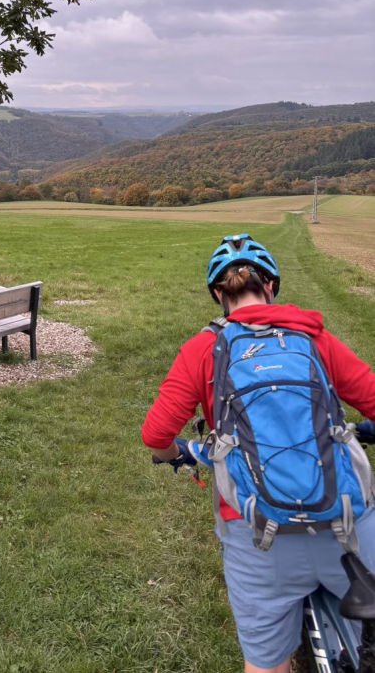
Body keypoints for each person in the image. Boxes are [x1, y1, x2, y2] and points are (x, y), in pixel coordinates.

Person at [141, 233, 375, 673]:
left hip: (258, 535)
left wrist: (178, 452)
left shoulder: (203, 349)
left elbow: (156, 434)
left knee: (265, 664)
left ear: (219, 295)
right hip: (346, 528)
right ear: (270, 287)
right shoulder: (314, 338)